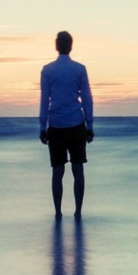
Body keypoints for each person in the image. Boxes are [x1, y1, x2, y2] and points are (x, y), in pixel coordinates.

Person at [38, 31, 93, 218]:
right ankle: (78, 212)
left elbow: (44, 100)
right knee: (78, 170)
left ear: (56, 45)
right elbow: (87, 99)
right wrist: (90, 124)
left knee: (57, 171)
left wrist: (42, 126)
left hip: (56, 124)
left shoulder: (47, 70)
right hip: (76, 123)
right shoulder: (79, 69)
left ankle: (58, 212)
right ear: (71, 46)